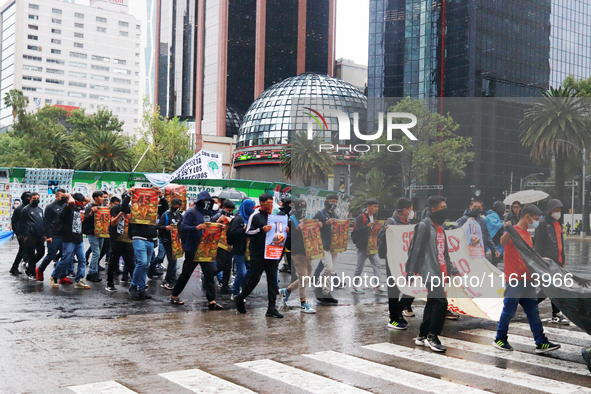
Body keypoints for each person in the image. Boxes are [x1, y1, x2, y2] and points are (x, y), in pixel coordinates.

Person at [494, 204, 561, 353]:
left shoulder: (527, 234)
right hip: (515, 279)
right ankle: (500, 338)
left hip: (528, 280)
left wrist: (540, 260)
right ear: (527, 217)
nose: (536, 222)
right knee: (509, 310)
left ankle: (540, 342)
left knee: (533, 312)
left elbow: (528, 257)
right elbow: (503, 242)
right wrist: (507, 230)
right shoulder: (513, 231)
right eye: (535, 219)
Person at [405, 195, 460, 352]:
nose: (446, 210)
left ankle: (422, 335)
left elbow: (443, 253)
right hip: (429, 271)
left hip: (440, 271)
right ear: (433, 209)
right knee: (441, 303)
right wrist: (410, 272)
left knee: (432, 303)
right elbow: (414, 250)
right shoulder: (424, 226)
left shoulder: (441, 228)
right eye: (443, 207)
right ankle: (433, 336)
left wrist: (453, 270)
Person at [169, 191, 223, 309]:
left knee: (209, 274)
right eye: (204, 201)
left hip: (205, 248)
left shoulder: (210, 213)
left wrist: (218, 227)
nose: (207, 204)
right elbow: (182, 227)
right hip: (192, 248)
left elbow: (211, 226)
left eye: (209, 202)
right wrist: (196, 228)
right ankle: (174, 295)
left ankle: (211, 300)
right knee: (186, 274)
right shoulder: (191, 212)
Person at [234, 193, 284, 318]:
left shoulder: (274, 216)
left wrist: (284, 230)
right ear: (261, 203)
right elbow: (248, 232)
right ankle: (240, 297)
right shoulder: (255, 215)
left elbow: (278, 230)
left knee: (273, 280)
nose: (271, 205)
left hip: (271, 251)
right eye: (268, 203)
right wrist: (261, 229)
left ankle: (271, 308)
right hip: (258, 253)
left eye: (272, 203)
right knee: (254, 278)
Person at [379, 197, 415, 330]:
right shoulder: (391, 221)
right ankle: (393, 319)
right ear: (405, 210)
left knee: (410, 286)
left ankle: (398, 312)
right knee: (394, 289)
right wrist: (386, 231)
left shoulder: (407, 222)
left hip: (405, 260)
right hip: (393, 260)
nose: (412, 212)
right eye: (411, 209)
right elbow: (382, 237)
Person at [534, 199, 570, 325]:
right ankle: (556, 314)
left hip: (558, 261)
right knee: (554, 288)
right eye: (556, 210)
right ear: (550, 210)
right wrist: (540, 259)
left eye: (559, 210)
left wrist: (563, 259)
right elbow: (538, 243)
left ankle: (530, 303)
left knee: (551, 288)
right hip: (548, 261)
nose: (558, 212)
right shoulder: (542, 223)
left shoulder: (558, 223)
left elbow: (560, 243)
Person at [128, 187, 167, 300]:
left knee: (145, 265)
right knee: (142, 262)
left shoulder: (154, 209)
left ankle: (141, 288)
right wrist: (128, 195)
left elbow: (165, 210)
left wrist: (161, 197)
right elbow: (124, 208)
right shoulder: (135, 206)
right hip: (138, 237)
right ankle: (133, 285)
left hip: (150, 238)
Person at [278, 199, 316, 314]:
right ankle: (303, 303)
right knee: (303, 277)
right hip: (297, 252)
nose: (303, 211)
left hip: (308, 251)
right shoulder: (291, 220)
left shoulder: (306, 220)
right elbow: (286, 238)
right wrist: (296, 230)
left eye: (304, 209)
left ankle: (287, 291)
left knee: (307, 277)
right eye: (300, 209)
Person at [49, 193, 91, 289]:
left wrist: (80, 199)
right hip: (68, 238)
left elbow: (88, 200)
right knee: (66, 259)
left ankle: (79, 280)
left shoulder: (79, 208)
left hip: (78, 238)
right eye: (80, 202)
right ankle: (54, 276)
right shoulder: (67, 208)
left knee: (82, 260)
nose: (82, 203)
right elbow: (71, 202)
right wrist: (69, 195)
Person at [314, 194, 345, 303]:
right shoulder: (320, 214)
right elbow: (311, 228)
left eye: (336, 201)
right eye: (332, 201)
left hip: (333, 246)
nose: (334, 203)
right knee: (328, 267)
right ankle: (318, 286)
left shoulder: (335, 215)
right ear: (326, 201)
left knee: (333, 270)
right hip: (323, 245)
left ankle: (326, 292)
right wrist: (323, 224)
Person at [351, 198, 387, 294]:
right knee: (360, 266)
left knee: (377, 264)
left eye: (377, 207)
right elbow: (356, 231)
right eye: (374, 206)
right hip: (363, 245)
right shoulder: (361, 217)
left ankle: (377, 285)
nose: (376, 209)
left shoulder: (374, 216)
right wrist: (367, 226)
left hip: (372, 245)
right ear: (368, 206)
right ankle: (355, 285)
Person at [105, 194, 136, 293]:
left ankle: (135, 283)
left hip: (127, 239)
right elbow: (113, 222)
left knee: (131, 262)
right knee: (113, 262)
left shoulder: (132, 209)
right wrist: (121, 214)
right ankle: (110, 283)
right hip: (116, 238)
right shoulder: (116, 208)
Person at [37, 189, 68, 282]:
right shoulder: (50, 207)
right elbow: (46, 222)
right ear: (57, 196)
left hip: (63, 235)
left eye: (65, 195)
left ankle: (62, 275)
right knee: (51, 255)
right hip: (54, 235)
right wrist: (48, 235)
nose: (64, 197)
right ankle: (40, 269)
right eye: (62, 195)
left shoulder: (65, 206)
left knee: (66, 255)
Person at [228, 199, 255, 300]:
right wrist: (243, 230)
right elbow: (233, 233)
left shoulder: (251, 218)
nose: (252, 210)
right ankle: (235, 292)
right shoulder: (238, 219)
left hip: (249, 250)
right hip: (239, 250)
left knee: (251, 271)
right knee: (241, 272)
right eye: (250, 208)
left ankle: (242, 288)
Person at [156, 198, 183, 290]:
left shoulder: (180, 215)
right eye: (175, 207)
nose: (177, 209)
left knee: (174, 259)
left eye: (179, 207)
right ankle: (167, 280)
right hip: (167, 240)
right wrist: (166, 228)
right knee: (171, 259)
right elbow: (158, 226)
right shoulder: (166, 215)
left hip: (176, 241)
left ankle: (172, 277)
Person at [20, 192, 45, 280]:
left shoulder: (40, 210)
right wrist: (24, 235)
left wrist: (44, 234)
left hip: (40, 235)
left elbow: (42, 222)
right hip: (30, 235)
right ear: (30, 199)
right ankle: (31, 272)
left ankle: (29, 264)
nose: (36, 200)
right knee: (30, 254)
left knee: (41, 252)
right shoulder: (25, 210)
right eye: (34, 198)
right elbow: (22, 223)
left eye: (37, 198)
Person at [212, 199, 235, 294]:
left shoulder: (233, 217)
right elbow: (211, 227)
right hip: (219, 244)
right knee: (220, 265)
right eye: (229, 210)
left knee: (228, 266)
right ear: (223, 208)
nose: (230, 212)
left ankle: (225, 285)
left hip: (229, 244)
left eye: (231, 210)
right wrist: (219, 222)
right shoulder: (218, 216)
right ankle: (208, 276)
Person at [83, 191, 105, 283]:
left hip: (101, 232)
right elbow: (86, 220)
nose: (103, 198)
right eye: (101, 197)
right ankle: (92, 273)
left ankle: (92, 272)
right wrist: (92, 212)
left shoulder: (103, 208)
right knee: (96, 253)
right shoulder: (89, 207)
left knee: (98, 253)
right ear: (95, 198)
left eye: (103, 197)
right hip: (92, 232)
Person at [9, 192, 31, 275]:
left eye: (29, 197)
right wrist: (18, 233)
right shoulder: (19, 209)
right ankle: (15, 266)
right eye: (27, 197)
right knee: (23, 249)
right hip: (21, 233)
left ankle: (16, 266)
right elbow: (14, 222)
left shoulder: (30, 208)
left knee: (24, 250)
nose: (28, 199)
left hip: (29, 233)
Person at [486, 201, 506, 267]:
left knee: (496, 257)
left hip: (494, 240)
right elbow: (494, 225)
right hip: (493, 239)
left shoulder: (493, 215)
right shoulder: (492, 215)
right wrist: (503, 224)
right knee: (495, 258)